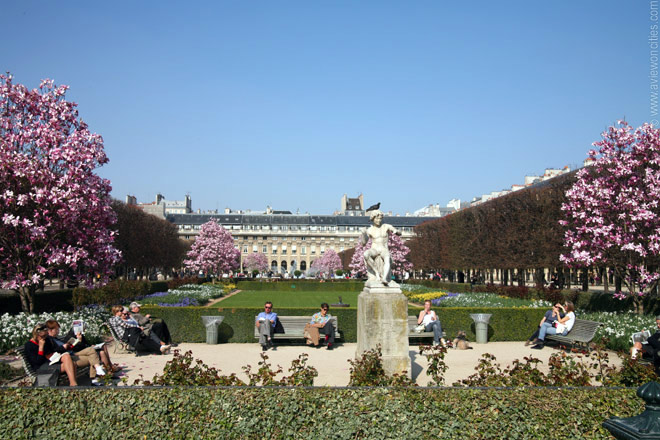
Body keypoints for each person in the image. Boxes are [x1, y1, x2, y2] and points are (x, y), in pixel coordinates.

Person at [44, 319, 107, 385]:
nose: (58, 331)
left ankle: (96, 374)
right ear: (50, 330)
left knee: (92, 353)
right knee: (92, 356)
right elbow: (54, 351)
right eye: (56, 329)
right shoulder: (49, 340)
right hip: (68, 357)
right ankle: (96, 376)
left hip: (72, 353)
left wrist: (76, 342)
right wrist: (64, 347)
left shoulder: (55, 338)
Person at [361, 209, 402, 288]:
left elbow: (397, 231)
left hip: (383, 248)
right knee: (366, 254)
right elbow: (363, 243)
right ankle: (376, 273)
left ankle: (384, 278)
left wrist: (397, 232)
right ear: (373, 219)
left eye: (380, 218)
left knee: (387, 257)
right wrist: (363, 234)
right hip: (375, 249)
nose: (379, 220)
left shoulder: (386, 226)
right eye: (377, 218)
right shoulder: (370, 230)